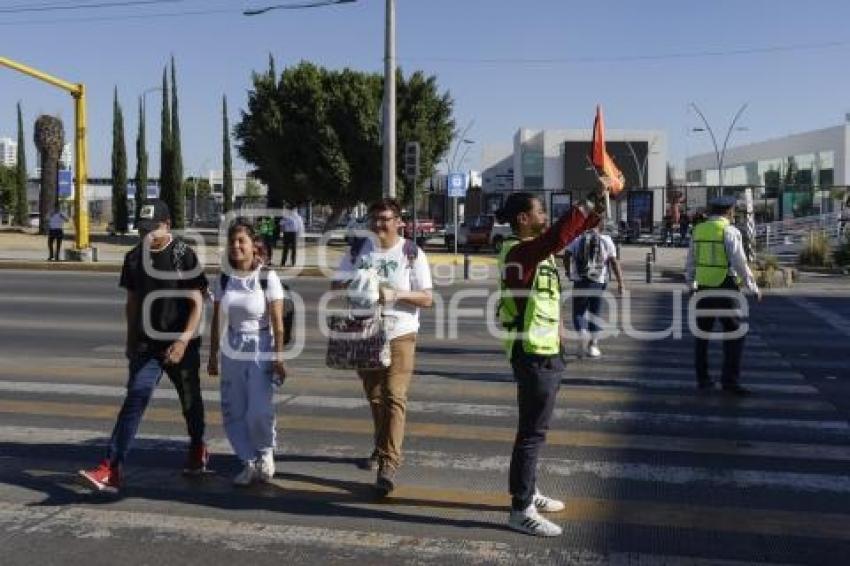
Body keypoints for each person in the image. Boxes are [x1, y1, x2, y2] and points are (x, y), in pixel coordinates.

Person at [496, 184, 606, 537]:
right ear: (523, 219)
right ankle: (520, 509)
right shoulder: (519, 251)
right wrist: (586, 199)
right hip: (530, 353)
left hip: (547, 351)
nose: (545, 216)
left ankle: (529, 491)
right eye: (540, 211)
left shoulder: (538, 253)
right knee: (531, 433)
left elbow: (579, 229)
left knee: (535, 432)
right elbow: (560, 234)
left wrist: (601, 201)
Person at [78, 199, 209, 492]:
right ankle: (111, 467)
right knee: (135, 398)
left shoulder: (182, 255)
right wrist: (130, 340)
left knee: (190, 403)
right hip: (147, 345)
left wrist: (183, 340)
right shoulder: (134, 257)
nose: (149, 235)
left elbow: (197, 302)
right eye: (143, 229)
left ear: (168, 225)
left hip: (181, 343)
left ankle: (198, 446)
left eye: (154, 229)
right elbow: (133, 301)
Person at [331, 198, 433, 496]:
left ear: (399, 222)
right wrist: (358, 280)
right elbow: (335, 286)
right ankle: (380, 446)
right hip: (364, 331)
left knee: (394, 396)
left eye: (386, 219)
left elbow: (427, 298)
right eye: (374, 219)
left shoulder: (411, 253)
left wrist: (396, 293)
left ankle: (389, 464)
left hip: (400, 332)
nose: (379, 224)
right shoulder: (357, 249)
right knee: (375, 397)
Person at [208, 221, 288, 486]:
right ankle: (247, 461)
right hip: (232, 348)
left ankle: (265, 452)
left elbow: (278, 322)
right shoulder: (224, 277)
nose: (236, 246)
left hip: (260, 346)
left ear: (254, 246)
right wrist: (212, 355)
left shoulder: (266, 277)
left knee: (258, 410)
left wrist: (278, 356)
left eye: (241, 241)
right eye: (232, 241)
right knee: (233, 410)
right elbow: (218, 319)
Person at [686, 196, 761, 396]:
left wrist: (690, 284)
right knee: (735, 334)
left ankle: (703, 379)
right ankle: (729, 381)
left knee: (702, 336)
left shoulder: (698, 230)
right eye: (733, 210)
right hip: (725, 287)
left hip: (703, 288)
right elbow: (739, 262)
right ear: (729, 211)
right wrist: (753, 287)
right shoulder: (730, 231)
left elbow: (691, 261)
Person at [563, 223, 624, 358]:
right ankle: (593, 345)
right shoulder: (606, 240)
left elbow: (566, 255)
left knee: (578, 312)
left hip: (580, 281)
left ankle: (582, 333)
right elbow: (614, 262)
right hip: (599, 282)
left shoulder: (577, 238)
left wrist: (568, 272)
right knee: (595, 312)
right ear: (601, 226)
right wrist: (621, 283)